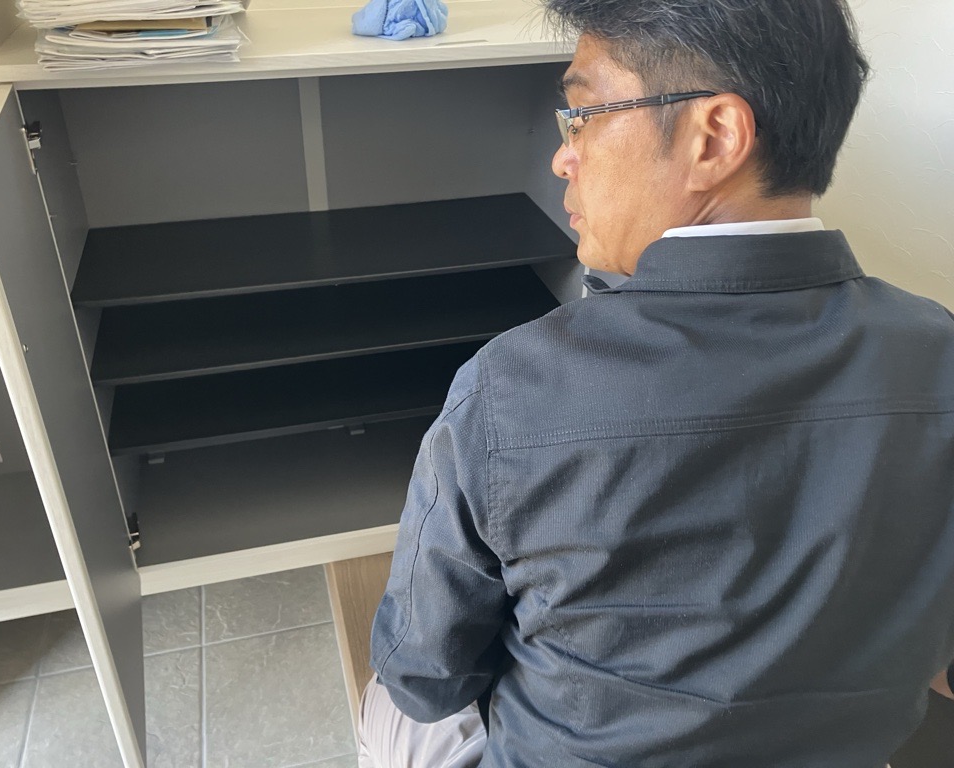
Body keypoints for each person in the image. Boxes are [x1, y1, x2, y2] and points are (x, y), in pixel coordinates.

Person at [358, 1, 954, 766]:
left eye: (582, 117)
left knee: (389, 702)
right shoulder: (940, 351)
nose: (563, 158)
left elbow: (425, 676)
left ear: (715, 137)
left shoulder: (508, 391)